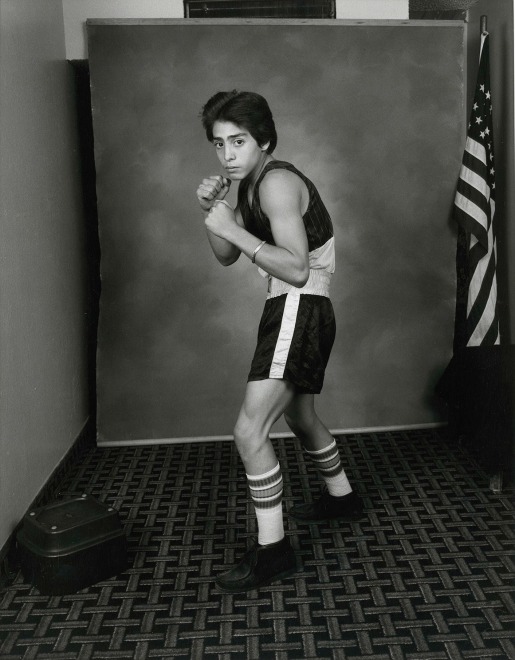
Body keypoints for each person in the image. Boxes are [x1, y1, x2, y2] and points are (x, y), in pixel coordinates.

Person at [196, 91, 363, 594]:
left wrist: (234, 229)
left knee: (250, 432)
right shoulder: (250, 184)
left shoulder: (277, 184)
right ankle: (342, 497)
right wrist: (216, 211)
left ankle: (274, 551)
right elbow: (227, 255)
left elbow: (294, 268)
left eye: (238, 141)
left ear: (263, 140)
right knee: (299, 416)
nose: (227, 153)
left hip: (298, 304)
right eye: (219, 143)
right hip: (301, 308)